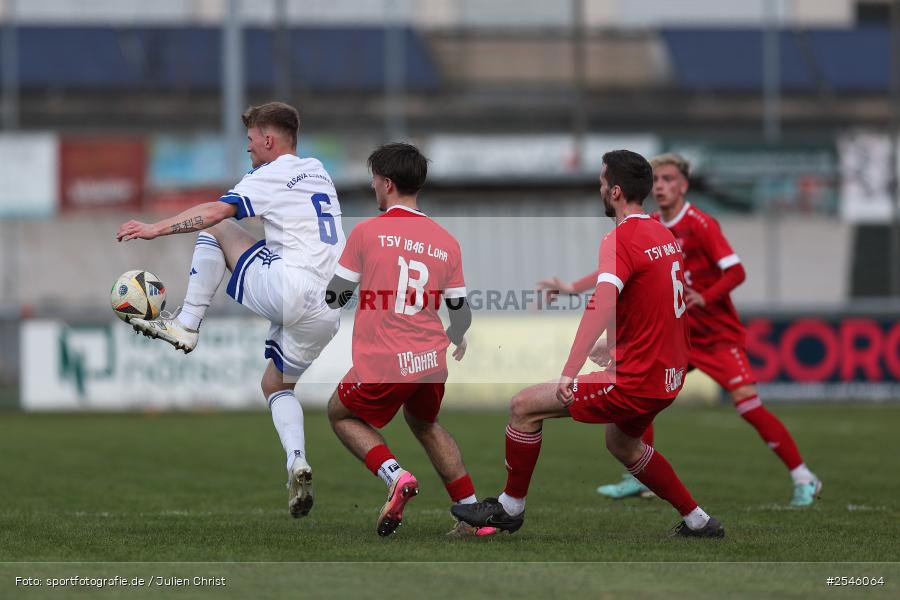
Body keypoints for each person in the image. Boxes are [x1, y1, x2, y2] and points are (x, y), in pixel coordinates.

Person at [452, 150, 724, 538]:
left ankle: (510, 508)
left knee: (524, 407)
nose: (598, 187)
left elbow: (603, 302)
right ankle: (699, 521)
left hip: (636, 379)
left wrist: (571, 370)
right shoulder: (662, 234)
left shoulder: (620, 237)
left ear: (614, 191)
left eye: (601, 181)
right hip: (668, 375)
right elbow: (650, 300)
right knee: (623, 445)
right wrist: (616, 344)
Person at [539, 152, 821, 507]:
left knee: (748, 405)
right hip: (677, 335)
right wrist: (571, 287)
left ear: (684, 185)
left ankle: (803, 477)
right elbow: (615, 270)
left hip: (716, 335)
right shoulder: (651, 224)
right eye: (656, 179)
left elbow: (736, 272)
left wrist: (706, 296)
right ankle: (637, 476)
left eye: (669, 179)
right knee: (636, 384)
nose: (661, 185)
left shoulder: (701, 224)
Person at [116, 101, 344, 519]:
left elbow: (216, 211)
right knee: (275, 386)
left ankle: (187, 324)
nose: (248, 149)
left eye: (252, 140)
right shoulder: (318, 170)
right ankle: (297, 461)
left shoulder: (270, 174)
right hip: (329, 308)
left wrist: (155, 229)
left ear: (269, 140)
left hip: (288, 288)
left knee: (216, 227)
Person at [325, 143, 495, 538]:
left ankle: (395, 476)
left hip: (385, 359)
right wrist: (457, 336)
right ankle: (473, 517)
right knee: (426, 423)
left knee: (340, 413)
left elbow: (336, 296)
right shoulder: (445, 240)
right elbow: (460, 312)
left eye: (373, 180)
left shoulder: (367, 231)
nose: (372, 187)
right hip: (431, 359)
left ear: (386, 183)